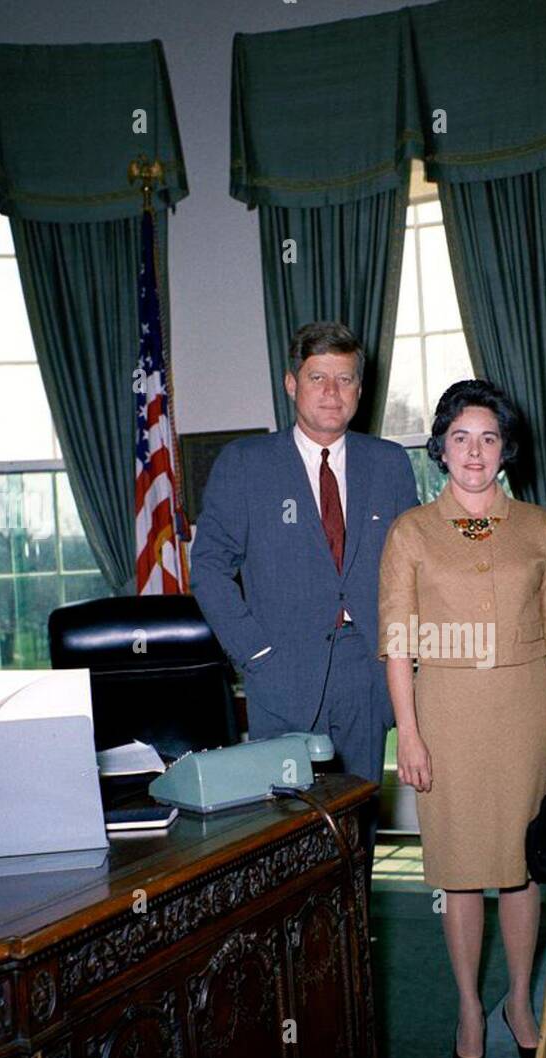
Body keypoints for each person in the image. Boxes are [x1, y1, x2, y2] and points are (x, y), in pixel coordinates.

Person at [378, 380, 546, 1058]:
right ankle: (470, 1005)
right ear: (440, 447)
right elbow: (397, 641)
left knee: (524, 867)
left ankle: (519, 1001)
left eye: (488, 438)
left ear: (506, 450)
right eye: (461, 437)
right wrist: (407, 734)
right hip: (447, 718)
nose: (474, 451)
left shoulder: (539, 527)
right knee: (463, 872)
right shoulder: (411, 531)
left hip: (528, 712)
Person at [192, 322, 419, 861]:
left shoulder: (388, 463)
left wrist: (407, 661)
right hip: (281, 672)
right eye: (318, 378)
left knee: (358, 838)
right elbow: (208, 567)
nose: (332, 392)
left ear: (361, 391)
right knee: (284, 839)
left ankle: (354, 941)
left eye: (345, 380)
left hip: (366, 674)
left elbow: (414, 571)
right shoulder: (246, 464)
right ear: (292, 383)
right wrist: (256, 653)